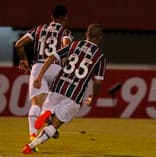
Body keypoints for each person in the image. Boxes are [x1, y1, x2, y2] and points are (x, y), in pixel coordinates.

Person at [22, 24, 106, 154]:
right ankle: (31, 146)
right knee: (55, 126)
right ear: (100, 38)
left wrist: (39, 77)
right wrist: (92, 96)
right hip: (74, 94)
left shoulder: (74, 45)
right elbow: (98, 81)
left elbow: (51, 57)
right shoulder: (100, 56)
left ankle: (47, 114)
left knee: (48, 112)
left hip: (58, 86)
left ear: (86, 34)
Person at [15, 5, 73, 150]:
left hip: (38, 67)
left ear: (51, 17)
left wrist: (24, 60)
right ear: (65, 17)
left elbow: (19, 44)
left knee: (36, 103)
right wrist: (66, 60)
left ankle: (33, 136)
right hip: (56, 67)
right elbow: (66, 45)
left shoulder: (38, 29)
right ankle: (49, 117)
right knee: (60, 100)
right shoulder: (65, 31)